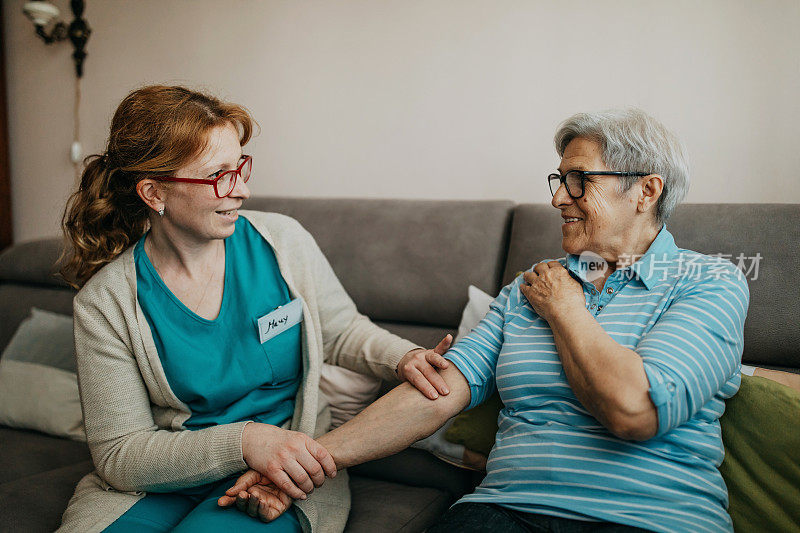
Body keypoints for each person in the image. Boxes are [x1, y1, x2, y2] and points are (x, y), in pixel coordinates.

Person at [227, 109, 750, 533]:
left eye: (578, 181)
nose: (557, 198)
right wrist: (302, 467)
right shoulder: (529, 288)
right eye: (558, 179)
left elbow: (635, 411)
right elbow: (437, 392)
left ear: (646, 191)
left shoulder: (708, 282)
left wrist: (565, 308)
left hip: (652, 518)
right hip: (504, 511)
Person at [56, 85, 452, 533]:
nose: (242, 189)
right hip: (161, 476)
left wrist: (402, 358)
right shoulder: (104, 302)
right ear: (154, 192)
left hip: (280, 474)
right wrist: (245, 441)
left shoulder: (284, 243)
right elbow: (120, 455)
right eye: (219, 174)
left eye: (241, 166)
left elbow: (339, 331)